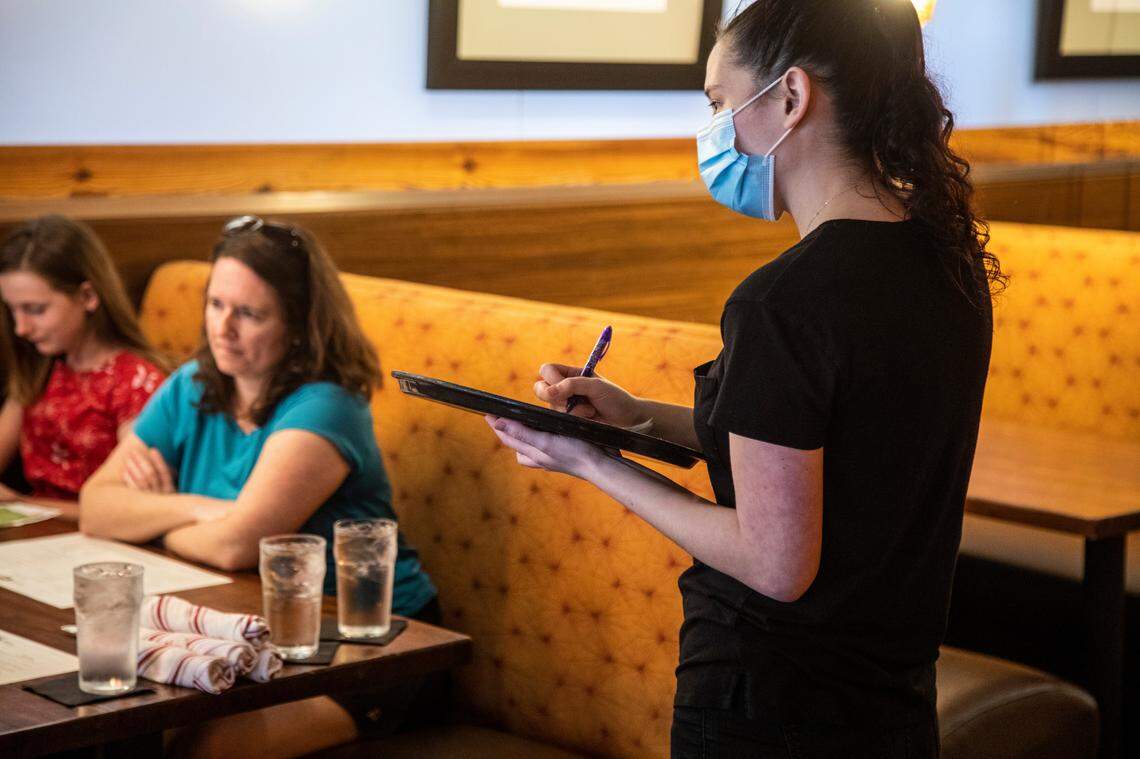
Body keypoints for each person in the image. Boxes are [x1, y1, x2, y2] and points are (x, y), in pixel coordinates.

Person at [487, 1, 1005, 756]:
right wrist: (637, 418)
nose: (714, 131)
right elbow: (835, 446)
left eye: (719, 104)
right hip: (893, 705)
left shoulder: (783, 302)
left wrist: (590, 461)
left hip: (768, 703)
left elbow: (775, 562)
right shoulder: (947, 266)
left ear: (791, 98)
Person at [80, 215, 438, 756]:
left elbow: (236, 546)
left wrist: (155, 520)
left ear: (298, 324)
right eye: (216, 304)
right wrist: (201, 509)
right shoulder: (193, 385)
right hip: (242, 627)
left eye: (249, 314)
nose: (222, 328)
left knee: (192, 748)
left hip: (368, 642)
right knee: (103, 719)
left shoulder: (326, 406)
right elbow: (96, 508)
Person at [0, 215, 168, 519]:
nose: (20, 328)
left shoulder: (135, 381)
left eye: (35, 310)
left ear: (88, 297)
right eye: (12, 311)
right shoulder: (38, 367)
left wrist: (19, 503)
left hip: (104, 542)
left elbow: (134, 508)